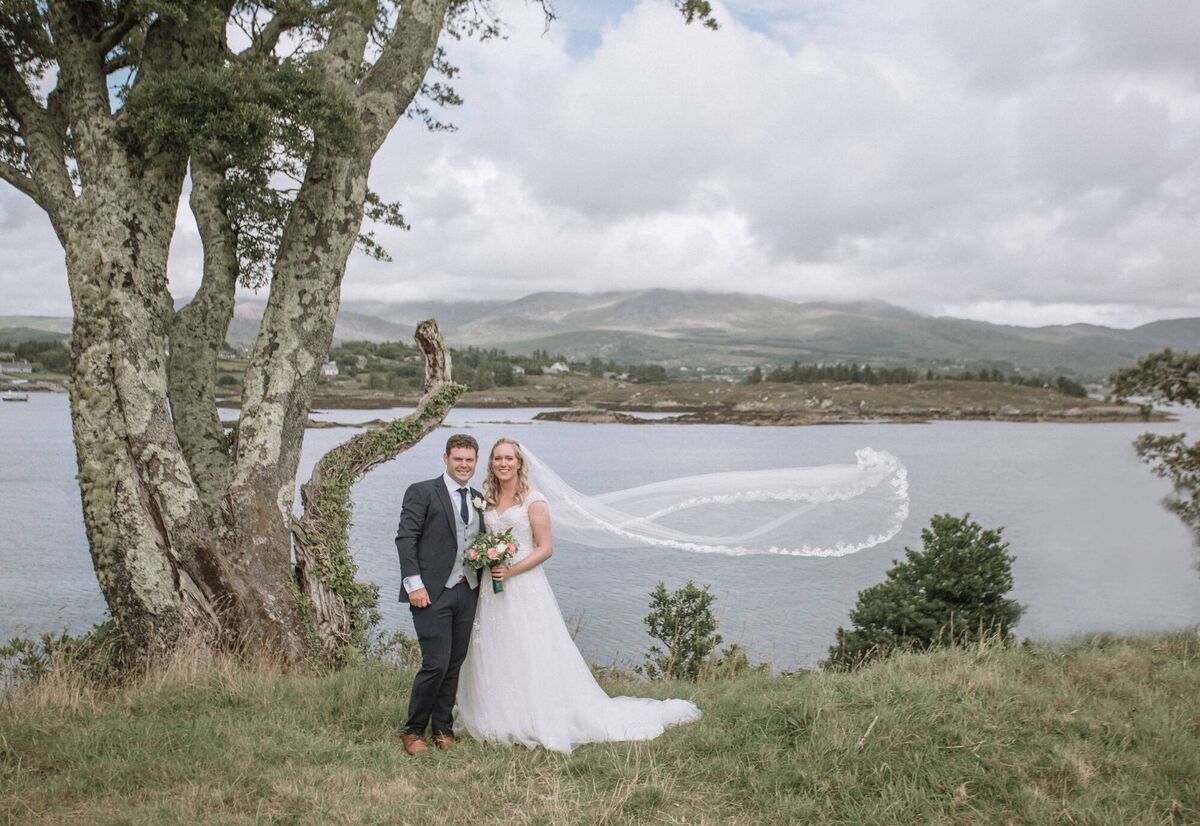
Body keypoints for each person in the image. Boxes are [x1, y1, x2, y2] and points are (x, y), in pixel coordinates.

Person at [454, 438, 702, 754]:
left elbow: (545, 548)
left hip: (523, 585)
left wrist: (511, 571)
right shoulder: (486, 501)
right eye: (498, 458)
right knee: (495, 646)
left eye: (509, 458)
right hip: (492, 588)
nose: (503, 464)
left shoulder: (534, 501)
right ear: (491, 464)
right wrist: (486, 560)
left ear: (519, 463)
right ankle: (496, 716)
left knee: (529, 649)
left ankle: (533, 717)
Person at [394, 433, 486, 756]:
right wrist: (414, 584)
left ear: (476, 462)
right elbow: (406, 539)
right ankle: (413, 729)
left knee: (455, 663)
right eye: (457, 458)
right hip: (431, 593)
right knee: (436, 662)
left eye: (469, 460)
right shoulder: (422, 492)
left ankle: (442, 726)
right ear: (445, 458)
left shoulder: (479, 499)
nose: (463, 465)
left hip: (468, 591)